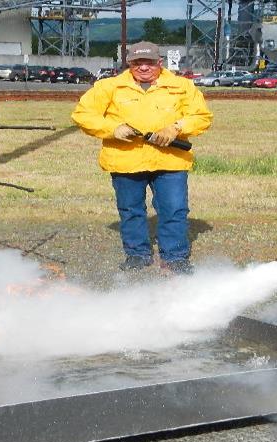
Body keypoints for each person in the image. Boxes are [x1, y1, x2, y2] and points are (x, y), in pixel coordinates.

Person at [72, 41, 213, 274]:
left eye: (149, 62)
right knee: (131, 209)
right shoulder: (109, 87)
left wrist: (176, 127)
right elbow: (83, 114)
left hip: (170, 160)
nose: (144, 67)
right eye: (138, 63)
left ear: (160, 63)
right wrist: (113, 128)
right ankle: (137, 255)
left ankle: (175, 257)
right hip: (126, 160)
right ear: (129, 64)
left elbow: (201, 116)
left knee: (175, 209)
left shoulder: (182, 86)